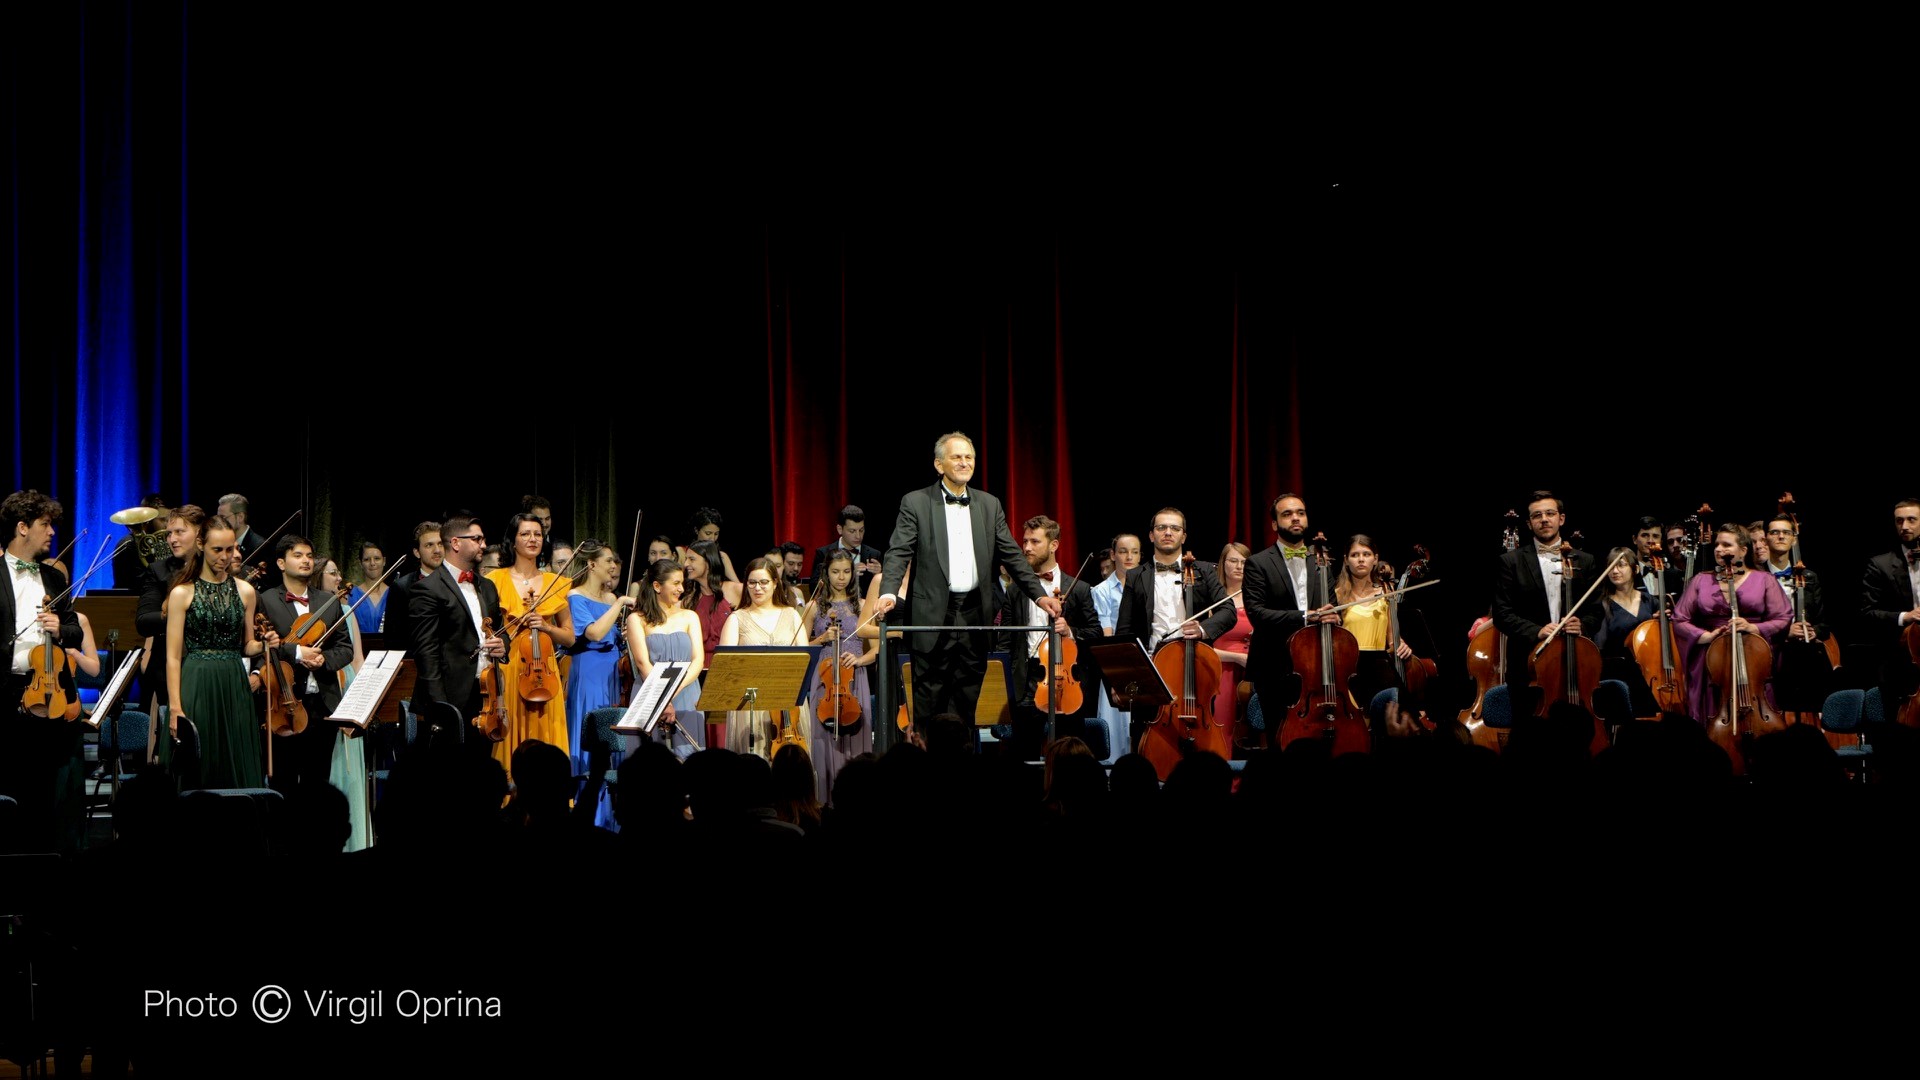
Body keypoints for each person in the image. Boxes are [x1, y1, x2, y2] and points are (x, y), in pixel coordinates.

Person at [876, 432, 1060, 721]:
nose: (964, 463)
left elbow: (1012, 555)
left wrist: (1039, 595)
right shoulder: (915, 502)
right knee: (928, 706)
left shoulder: (989, 504)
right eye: (957, 457)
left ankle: (962, 764)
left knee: (967, 705)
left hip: (975, 616)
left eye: (969, 457)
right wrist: (887, 592)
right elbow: (898, 552)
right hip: (932, 616)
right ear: (939, 465)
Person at [1, 489, 86, 852]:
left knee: (41, 791)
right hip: (4, 691)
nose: (52, 532)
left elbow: (76, 631)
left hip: (45, 694)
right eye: (45, 525)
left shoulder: (53, 580)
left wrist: (59, 628)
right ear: (22, 528)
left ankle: (38, 871)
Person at [163, 513, 273, 790]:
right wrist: (175, 707)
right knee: (200, 765)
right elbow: (173, 657)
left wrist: (266, 645)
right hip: (196, 682)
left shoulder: (246, 591)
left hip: (234, 684)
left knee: (233, 760)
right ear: (200, 545)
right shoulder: (182, 593)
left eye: (231, 549)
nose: (226, 556)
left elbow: (247, 645)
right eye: (218, 550)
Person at [1489, 490, 1605, 715]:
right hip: (1527, 663)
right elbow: (1502, 613)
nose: (1544, 519)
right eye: (1537, 515)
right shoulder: (1510, 562)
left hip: (1574, 659)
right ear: (1529, 523)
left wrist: (1582, 624)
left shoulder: (1585, 560)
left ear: (1561, 518)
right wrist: (1536, 630)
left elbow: (1596, 610)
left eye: (1550, 513)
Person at [256, 534, 355, 795]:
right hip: (284, 705)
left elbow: (345, 649)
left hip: (322, 704)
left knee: (318, 785)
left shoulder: (329, 601)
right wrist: (298, 653)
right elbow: (262, 649)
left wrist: (324, 660)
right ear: (280, 563)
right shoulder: (265, 600)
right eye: (297, 555)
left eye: (309, 556)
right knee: (284, 784)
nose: (306, 561)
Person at [997, 515, 1101, 761]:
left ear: (1054, 545)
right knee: (1023, 756)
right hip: (1026, 682)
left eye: (1035, 541)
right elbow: (1005, 642)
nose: (1027, 548)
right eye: (1025, 541)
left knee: (1068, 756)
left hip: (1065, 680)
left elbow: (1095, 633)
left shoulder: (1080, 588)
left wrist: (1070, 631)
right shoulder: (1015, 591)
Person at [407, 513, 508, 761]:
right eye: (477, 539)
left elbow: (502, 632)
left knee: (482, 770)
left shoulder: (487, 586)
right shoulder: (427, 589)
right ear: (455, 543)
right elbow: (426, 653)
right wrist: (441, 706)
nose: (483, 545)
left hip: (486, 695)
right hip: (450, 698)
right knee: (449, 778)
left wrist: (502, 646)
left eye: (483, 539)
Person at [1672, 523, 1790, 725]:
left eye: (1726, 545)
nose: (1719, 549)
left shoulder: (1764, 580)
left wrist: (1754, 628)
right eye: (1717, 545)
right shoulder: (1701, 580)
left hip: (1754, 658)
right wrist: (1704, 636)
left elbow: (1783, 617)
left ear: (1743, 550)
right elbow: (1679, 619)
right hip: (1712, 660)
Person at [488, 512, 575, 781]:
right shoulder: (494, 579)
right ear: (512, 541)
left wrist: (546, 626)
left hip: (544, 672)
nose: (532, 539)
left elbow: (570, 638)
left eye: (537, 534)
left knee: (545, 739)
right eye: (525, 534)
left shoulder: (555, 582)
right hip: (512, 669)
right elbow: (489, 628)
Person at [566, 539, 635, 826]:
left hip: (612, 673)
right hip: (589, 673)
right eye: (608, 560)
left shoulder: (610, 599)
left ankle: (612, 817)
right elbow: (593, 633)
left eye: (615, 561)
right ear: (591, 564)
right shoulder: (576, 596)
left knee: (614, 737)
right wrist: (619, 603)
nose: (614, 566)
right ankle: (588, 815)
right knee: (592, 736)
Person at [802, 549, 877, 801]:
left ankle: (857, 798)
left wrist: (858, 660)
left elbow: (876, 650)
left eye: (846, 572)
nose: (841, 577)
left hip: (855, 679)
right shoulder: (814, 606)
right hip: (824, 679)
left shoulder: (864, 605)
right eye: (835, 572)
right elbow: (801, 647)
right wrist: (821, 639)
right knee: (823, 737)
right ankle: (825, 800)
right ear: (826, 573)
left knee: (856, 736)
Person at [719, 558, 809, 760]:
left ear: (775, 583)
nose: (757, 588)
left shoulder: (792, 615)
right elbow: (725, 668)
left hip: (788, 704)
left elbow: (804, 661)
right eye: (752, 583)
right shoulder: (736, 619)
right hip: (752, 704)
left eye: (764, 582)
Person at [626, 556, 706, 761]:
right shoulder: (637, 619)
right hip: (651, 692)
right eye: (676, 583)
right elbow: (643, 663)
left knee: (689, 761)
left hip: (686, 692)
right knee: (654, 765)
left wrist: (671, 694)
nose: (681, 589)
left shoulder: (690, 616)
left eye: (682, 583)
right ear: (657, 586)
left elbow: (697, 661)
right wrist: (662, 698)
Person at [1859, 499, 1920, 715]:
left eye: (1911, 519)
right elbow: (1868, 612)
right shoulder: (1880, 564)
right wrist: (1905, 617)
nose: (1904, 526)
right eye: (1899, 521)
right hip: (1898, 658)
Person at [1088, 532, 1141, 761]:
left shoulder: (1145, 585)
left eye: (1135, 552)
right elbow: (1106, 634)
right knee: (1116, 729)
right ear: (1113, 555)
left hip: (1143, 662)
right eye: (1123, 551)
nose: (1129, 557)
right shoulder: (1101, 591)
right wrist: (1114, 677)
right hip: (1116, 665)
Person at [1590, 545, 1659, 717]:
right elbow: (1600, 646)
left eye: (1621, 565)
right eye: (1611, 566)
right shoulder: (1603, 605)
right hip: (1621, 671)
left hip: (1651, 670)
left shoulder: (1649, 601)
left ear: (1635, 569)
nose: (1615, 571)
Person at [1213, 541, 1255, 748]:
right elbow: (1204, 649)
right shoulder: (1214, 600)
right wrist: (1237, 657)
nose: (1239, 566)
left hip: (1254, 671)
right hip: (1224, 671)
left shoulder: (1257, 598)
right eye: (1233, 561)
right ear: (1223, 564)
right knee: (1224, 726)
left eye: (1244, 562)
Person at [380, 520, 442, 654]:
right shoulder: (401, 587)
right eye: (429, 545)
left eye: (440, 544)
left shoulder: (456, 582)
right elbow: (393, 639)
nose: (437, 550)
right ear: (417, 552)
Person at [810, 504, 883, 595]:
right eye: (852, 531)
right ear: (840, 529)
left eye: (861, 530)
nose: (858, 536)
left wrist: (879, 574)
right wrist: (849, 573)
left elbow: (884, 591)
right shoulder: (823, 553)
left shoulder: (874, 554)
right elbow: (814, 588)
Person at [346, 541, 390, 637]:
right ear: (360, 563)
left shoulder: (395, 593)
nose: (372, 563)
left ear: (384, 561)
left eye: (377, 558)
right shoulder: (349, 595)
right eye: (367, 560)